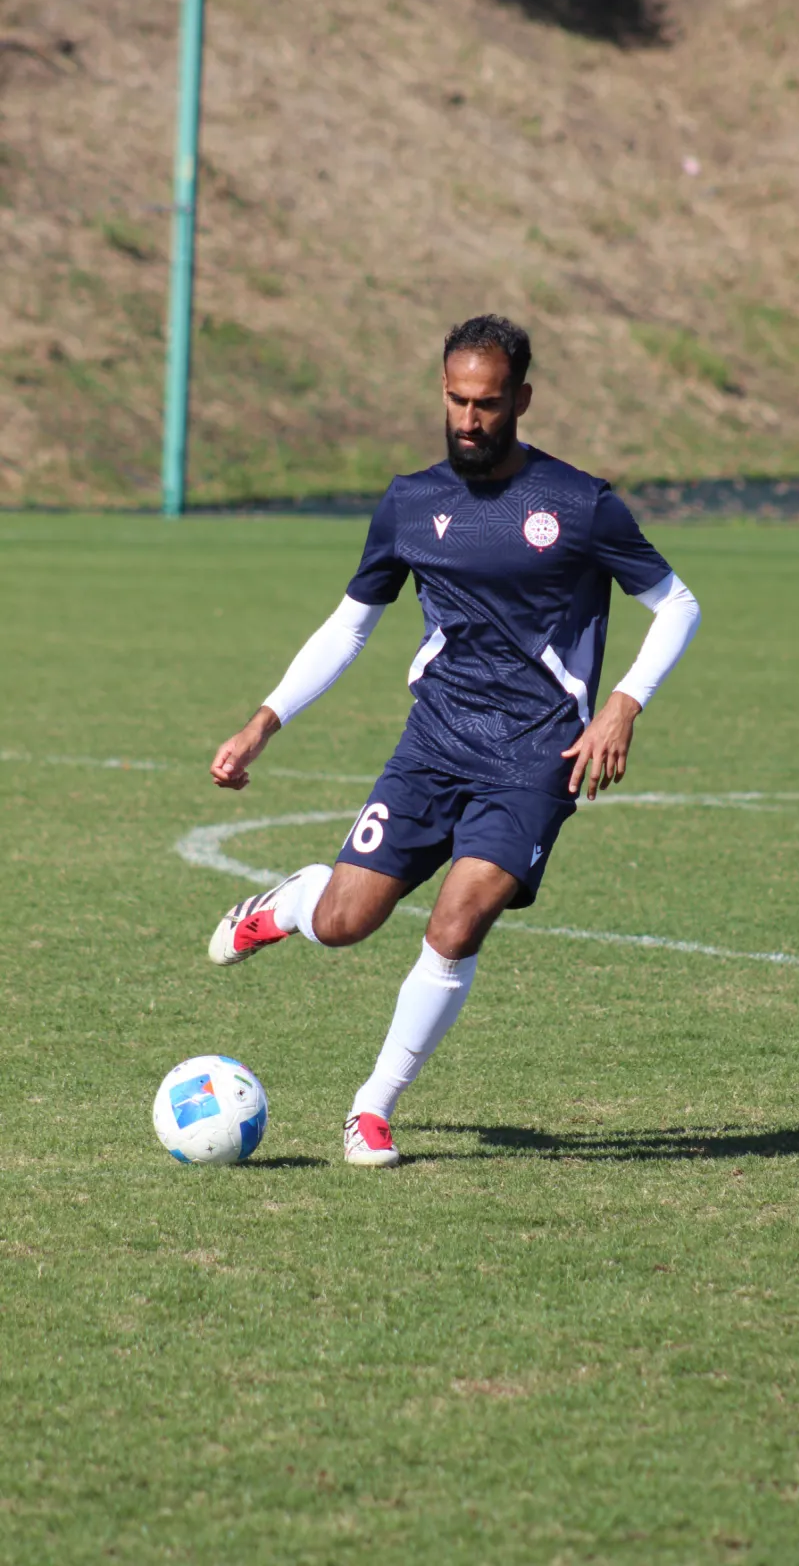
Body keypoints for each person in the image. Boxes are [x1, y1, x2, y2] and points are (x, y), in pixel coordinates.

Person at [207, 314, 701, 1166]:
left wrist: (623, 703)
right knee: (345, 921)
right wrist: (264, 720)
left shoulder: (580, 504)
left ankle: (371, 1107)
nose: (469, 420)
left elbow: (677, 605)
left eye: (487, 403)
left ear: (521, 400)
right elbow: (349, 625)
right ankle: (287, 907)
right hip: (434, 743)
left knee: (458, 921)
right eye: (455, 400)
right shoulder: (410, 502)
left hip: (537, 755)